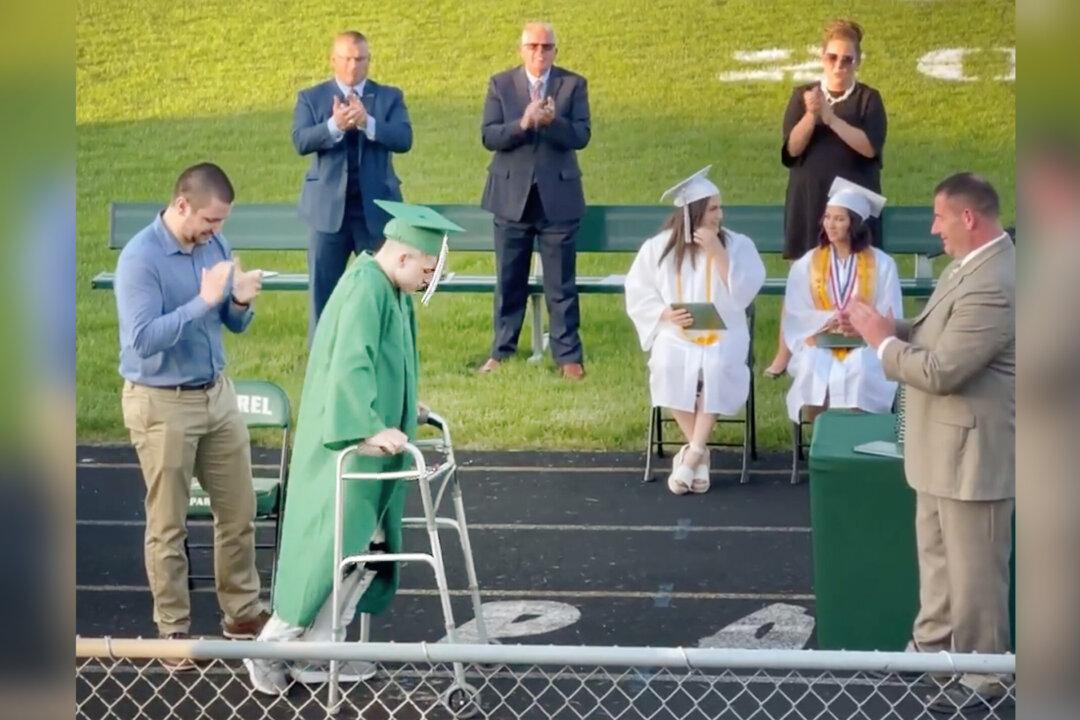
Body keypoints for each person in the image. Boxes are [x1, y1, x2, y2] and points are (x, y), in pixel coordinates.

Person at [245, 201, 463, 695]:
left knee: (365, 550)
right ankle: (271, 645)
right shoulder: (366, 288)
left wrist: (410, 404)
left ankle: (318, 650)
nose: (429, 281)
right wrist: (364, 428)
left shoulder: (392, 291)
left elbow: (387, 362)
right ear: (405, 258)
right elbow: (351, 364)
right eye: (427, 269)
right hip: (346, 446)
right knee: (327, 550)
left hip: (376, 448)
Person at [848, 173, 1014, 712]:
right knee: (939, 560)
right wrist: (879, 325)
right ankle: (933, 649)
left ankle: (982, 676)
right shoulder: (967, 268)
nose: (933, 228)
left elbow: (944, 370)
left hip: (974, 454)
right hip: (941, 449)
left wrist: (880, 344)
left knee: (975, 574)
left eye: (940, 217)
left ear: (969, 218)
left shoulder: (996, 282)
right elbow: (926, 331)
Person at [114, 163, 269, 669]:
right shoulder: (140, 259)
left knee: (239, 512)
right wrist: (202, 302)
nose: (215, 233)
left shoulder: (215, 247)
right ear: (181, 204)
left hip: (216, 395)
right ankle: (173, 630)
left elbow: (230, 321)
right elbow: (142, 340)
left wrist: (239, 302)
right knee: (168, 523)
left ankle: (242, 614)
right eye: (209, 221)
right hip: (161, 401)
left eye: (221, 223)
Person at [625, 167, 765, 495]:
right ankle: (698, 452)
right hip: (677, 332)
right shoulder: (658, 247)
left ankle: (692, 455)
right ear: (694, 212)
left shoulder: (738, 244)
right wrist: (665, 313)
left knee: (716, 365)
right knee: (666, 364)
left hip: (726, 331)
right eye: (713, 208)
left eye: (720, 207)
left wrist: (717, 252)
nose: (720, 215)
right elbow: (638, 290)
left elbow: (745, 293)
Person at [765, 18, 888, 378]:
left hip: (854, 203)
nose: (839, 65)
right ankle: (785, 352)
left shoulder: (868, 99)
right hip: (810, 198)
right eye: (833, 57)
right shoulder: (802, 95)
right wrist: (811, 114)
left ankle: (859, 341)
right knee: (801, 276)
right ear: (822, 57)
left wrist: (831, 118)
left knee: (856, 272)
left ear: (857, 62)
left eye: (847, 59)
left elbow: (869, 148)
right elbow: (791, 148)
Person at [478, 21, 591, 380]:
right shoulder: (501, 84)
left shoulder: (572, 85)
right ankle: (501, 351)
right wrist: (524, 123)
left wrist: (553, 121)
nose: (539, 53)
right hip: (512, 199)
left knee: (561, 284)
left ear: (556, 50)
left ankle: (568, 356)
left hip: (557, 199)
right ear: (521, 49)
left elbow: (581, 135)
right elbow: (489, 136)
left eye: (546, 47)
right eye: (533, 46)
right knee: (509, 281)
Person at [293, 30, 413, 340]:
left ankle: (382, 347)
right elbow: (301, 141)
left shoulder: (389, 97)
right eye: (346, 59)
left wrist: (367, 123)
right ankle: (321, 354)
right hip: (328, 213)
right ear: (333, 60)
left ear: (369, 61)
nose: (353, 66)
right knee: (324, 291)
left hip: (374, 212)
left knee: (380, 287)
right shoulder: (312, 97)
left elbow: (403, 139)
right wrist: (334, 126)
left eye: (360, 59)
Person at [783, 178, 901, 424]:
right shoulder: (807, 263)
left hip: (865, 342)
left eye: (839, 219)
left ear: (854, 224)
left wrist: (860, 325)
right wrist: (828, 320)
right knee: (814, 366)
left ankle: (855, 441)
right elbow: (796, 311)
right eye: (827, 217)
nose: (831, 225)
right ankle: (820, 440)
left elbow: (890, 311)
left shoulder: (882, 264)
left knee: (861, 368)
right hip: (821, 339)